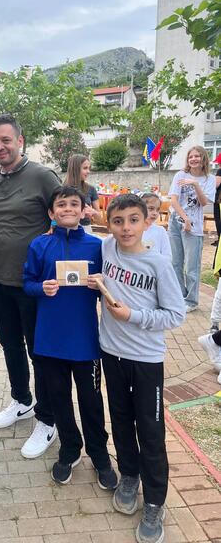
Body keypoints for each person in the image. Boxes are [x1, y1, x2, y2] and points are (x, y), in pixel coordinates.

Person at [89, 194, 185, 543]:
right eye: (118, 221)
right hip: (111, 354)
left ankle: (155, 501)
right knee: (120, 420)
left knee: (151, 431)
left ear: (147, 222)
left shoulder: (158, 264)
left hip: (146, 360)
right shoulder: (106, 249)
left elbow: (175, 315)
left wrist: (133, 316)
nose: (126, 228)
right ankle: (129, 475)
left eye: (133, 220)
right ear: (108, 223)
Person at [23, 185, 117, 488]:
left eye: (74, 204)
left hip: (85, 341)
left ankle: (99, 454)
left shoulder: (97, 246)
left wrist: (100, 283)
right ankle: (70, 449)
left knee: (91, 400)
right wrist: (41, 288)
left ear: (83, 210)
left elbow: (110, 289)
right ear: (51, 212)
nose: (67, 209)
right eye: (61, 205)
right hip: (50, 339)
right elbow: (27, 282)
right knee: (59, 399)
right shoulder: (39, 245)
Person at [0, 113, 61, 459]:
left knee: (40, 352)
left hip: (33, 284)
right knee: (10, 346)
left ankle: (48, 419)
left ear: (20, 140)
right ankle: (21, 400)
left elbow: (66, 214)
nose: (0, 147)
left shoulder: (43, 176)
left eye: (5, 140)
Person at [168, 146, 216, 312]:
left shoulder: (209, 179)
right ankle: (179, 296)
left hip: (194, 226)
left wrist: (195, 184)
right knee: (175, 263)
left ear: (203, 159)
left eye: (197, 156)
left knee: (192, 266)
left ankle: (191, 301)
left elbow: (204, 202)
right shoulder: (180, 175)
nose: (193, 159)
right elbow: (173, 200)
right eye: (191, 156)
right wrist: (185, 219)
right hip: (176, 221)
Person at [64, 154, 101, 233]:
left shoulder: (91, 189)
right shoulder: (62, 189)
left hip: (85, 230)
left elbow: (99, 219)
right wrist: (52, 226)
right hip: (65, 230)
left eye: (89, 168)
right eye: (85, 168)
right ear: (75, 169)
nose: (88, 171)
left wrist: (93, 212)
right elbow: (54, 215)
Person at [141, 193, 172, 260]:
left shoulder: (161, 231)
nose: (155, 213)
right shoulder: (134, 230)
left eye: (157, 210)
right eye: (151, 209)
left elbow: (167, 255)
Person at [213, 153, 221, 246]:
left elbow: (216, 184)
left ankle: (220, 239)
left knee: (218, 219)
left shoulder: (220, 171)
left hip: (219, 199)